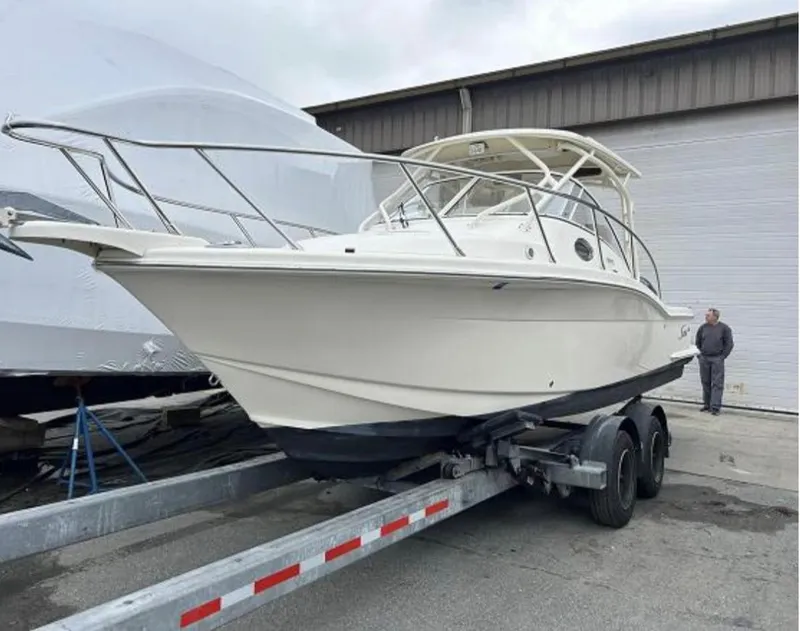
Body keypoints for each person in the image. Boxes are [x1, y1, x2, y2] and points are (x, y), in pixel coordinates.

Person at [695, 308, 734, 415]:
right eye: (706, 315)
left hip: (717, 359)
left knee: (717, 383)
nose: (706, 317)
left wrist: (722, 357)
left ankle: (715, 407)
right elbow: (697, 342)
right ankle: (707, 405)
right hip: (704, 359)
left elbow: (729, 344)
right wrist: (700, 355)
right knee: (705, 382)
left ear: (715, 317)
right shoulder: (703, 328)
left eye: (708, 315)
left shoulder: (724, 328)